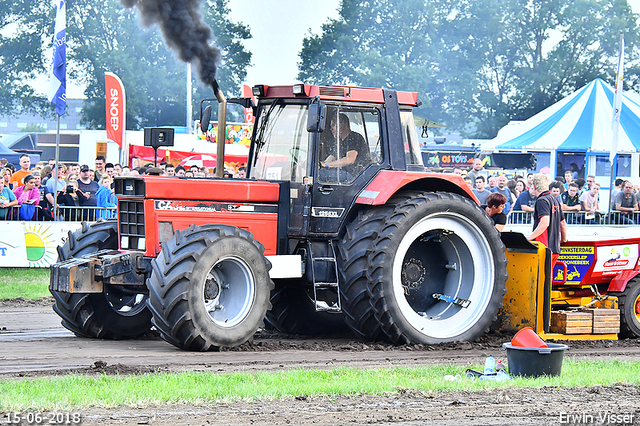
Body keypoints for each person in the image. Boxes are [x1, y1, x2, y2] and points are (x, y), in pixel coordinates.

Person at [528, 174, 568, 268]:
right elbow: (562, 223)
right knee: (547, 280)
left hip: (544, 248)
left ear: (534, 186)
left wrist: (529, 238)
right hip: (555, 248)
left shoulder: (542, 200)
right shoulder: (554, 199)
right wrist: (563, 239)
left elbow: (545, 222)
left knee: (539, 280)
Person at [320, 113, 370, 178]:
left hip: (354, 176)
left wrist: (326, 165)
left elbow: (350, 159)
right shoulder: (339, 141)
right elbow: (332, 157)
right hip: (346, 174)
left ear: (342, 124)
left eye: (333, 125)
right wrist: (321, 164)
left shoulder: (354, 138)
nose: (331, 129)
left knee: (319, 175)